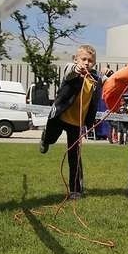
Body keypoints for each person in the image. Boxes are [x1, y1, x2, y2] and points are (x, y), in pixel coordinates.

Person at [39, 45, 102, 199]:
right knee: (50, 139)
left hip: (77, 122)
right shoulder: (71, 69)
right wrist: (76, 69)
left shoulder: (95, 78)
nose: (87, 63)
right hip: (60, 116)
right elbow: (70, 70)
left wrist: (109, 74)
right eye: (84, 59)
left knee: (74, 156)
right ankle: (45, 138)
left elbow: (108, 82)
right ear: (76, 59)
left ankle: (76, 189)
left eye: (90, 60)